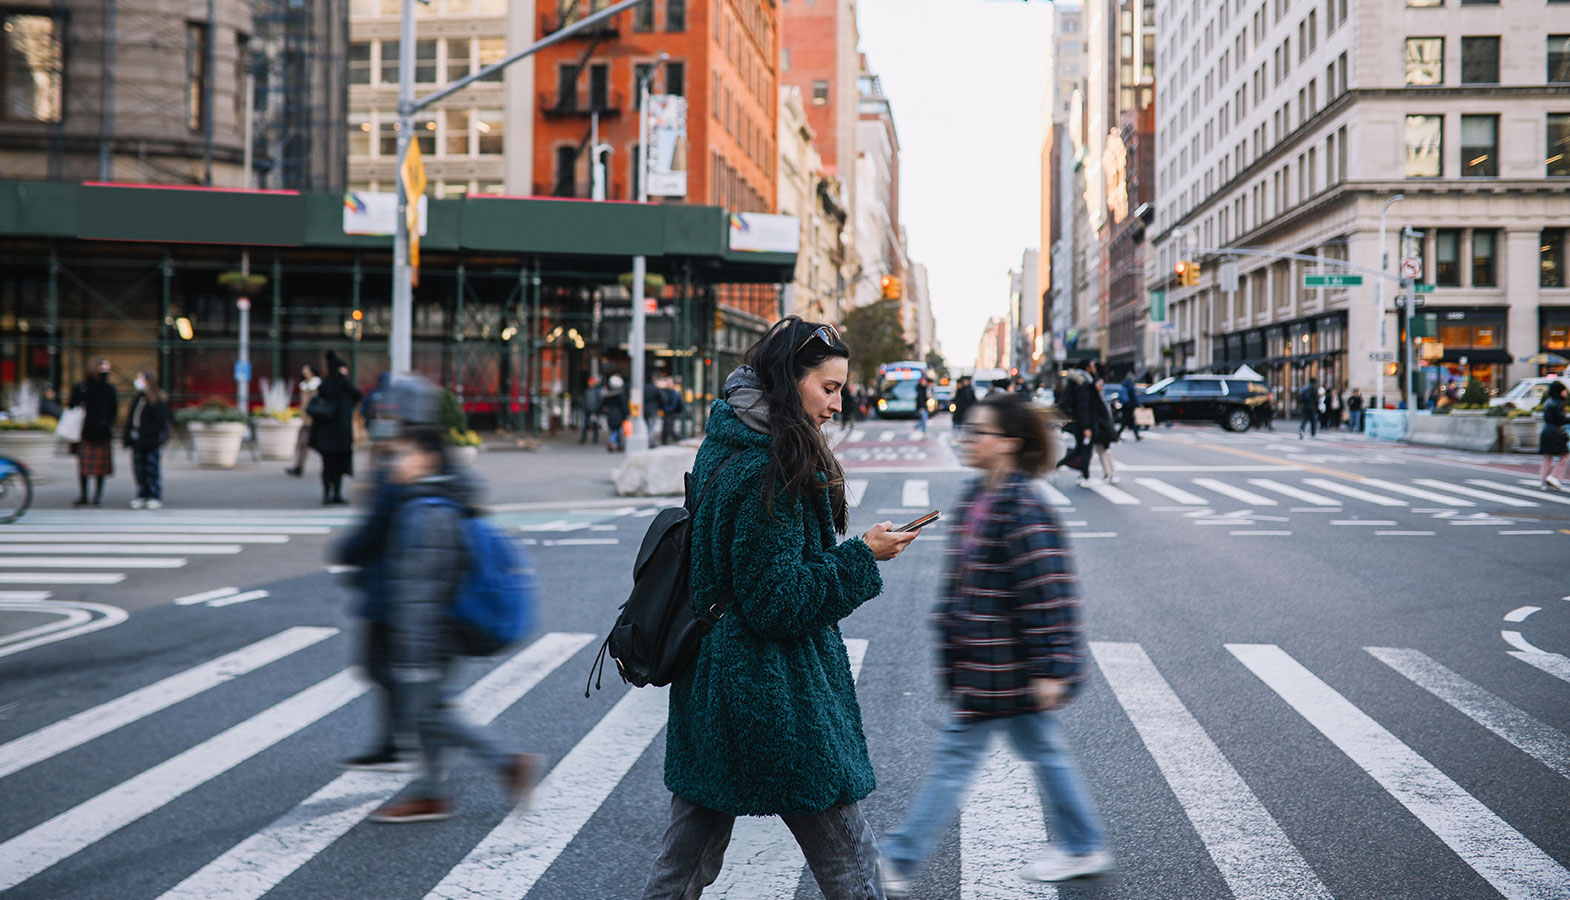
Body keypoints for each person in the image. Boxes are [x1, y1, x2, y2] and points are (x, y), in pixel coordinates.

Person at [641, 317, 920, 900]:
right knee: (851, 860)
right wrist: (863, 557)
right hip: (774, 693)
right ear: (787, 383)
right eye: (829, 387)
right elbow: (778, 601)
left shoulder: (730, 438)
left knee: (684, 865)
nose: (838, 404)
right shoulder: (774, 468)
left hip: (715, 686)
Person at [879, 393, 1111, 897]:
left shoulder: (1024, 507)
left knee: (956, 762)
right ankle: (1082, 842)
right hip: (987, 664)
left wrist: (1053, 668)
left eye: (979, 431)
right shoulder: (977, 499)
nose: (968, 438)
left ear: (1007, 444)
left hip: (1003, 667)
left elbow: (1049, 592)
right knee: (1043, 752)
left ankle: (899, 856)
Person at [356, 418, 539, 823]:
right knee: (431, 710)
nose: (395, 463)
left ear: (427, 458)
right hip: (445, 631)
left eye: (403, 454)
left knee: (426, 714)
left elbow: (421, 590)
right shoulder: (442, 500)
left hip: (430, 636)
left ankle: (508, 762)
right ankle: (431, 793)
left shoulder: (425, 512)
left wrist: (412, 650)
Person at [310, 353, 361, 505]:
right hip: (340, 434)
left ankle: (328, 494)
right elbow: (357, 396)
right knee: (338, 467)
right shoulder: (343, 385)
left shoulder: (325, 385)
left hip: (326, 435)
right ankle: (336, 494)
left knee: (327, 466)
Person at [68, 357, 118, 507]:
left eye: (106, 367)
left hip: (102, 432)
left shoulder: (108, 388)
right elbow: (72, 405)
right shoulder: (82, 387)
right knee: (84, 468)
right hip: (85, 431)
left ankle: (97, 496)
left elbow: (113, 410)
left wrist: (106, 423)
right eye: (101, 367)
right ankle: (84, 495)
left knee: (100, 469)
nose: (104, 370)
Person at [122, 371, 169, 509]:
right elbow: (131, 419)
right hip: (137, 440)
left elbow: (160, 422)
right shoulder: (138, 398)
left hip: (150, 441)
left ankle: (154, 495)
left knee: (151, 469)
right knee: (139, 470)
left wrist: (150, 434)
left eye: (141, 379)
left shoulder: (157, 400)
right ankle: (142, 494)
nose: (138, 381)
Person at [1057, 361, 1095, 486]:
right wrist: (1086, 426)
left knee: (1080, 448)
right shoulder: (1082, 382)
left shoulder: (1078, 381)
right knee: (1085, 449)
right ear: (1087, 367)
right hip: (1083, 422)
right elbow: (1082, 406)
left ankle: (1060, 465)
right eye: (1092, 365)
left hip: (1078, 421)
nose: (1094, 368)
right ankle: (1085, 476)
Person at [286, 363, 320, 477]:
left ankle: (329, 469)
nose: (304, 371)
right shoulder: (305, 385)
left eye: (306, 369)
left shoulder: (317, 385)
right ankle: (298, 467)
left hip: (314, 420)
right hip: (306, 420)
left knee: (315, 445)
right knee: (302, 444)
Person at [1539, 381, 1569, 492]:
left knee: (1547, 457)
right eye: (1564, 390)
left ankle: (1544, 482)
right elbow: (1561, 419)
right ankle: (1554, 476)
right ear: (1560, 391)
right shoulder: (1559, 403)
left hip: (1546, 430)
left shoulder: (1548, 402)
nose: (1566, 392)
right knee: (1565, 455)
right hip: (1556, 431)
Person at [1089, 376, 1119, 483]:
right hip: (1101, 429)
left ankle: (1109, 473)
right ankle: (1108, 473)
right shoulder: (1094, 398)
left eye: (1102, 385)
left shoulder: (1100, 396)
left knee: (1102, 451)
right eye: (1100, 385)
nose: (1102, 387)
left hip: (1103, 429)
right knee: (1102, 451)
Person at [604, 374, 628, 452]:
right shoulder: (621, 394)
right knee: (616, 430)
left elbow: (603, 404)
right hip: (618, 414)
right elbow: (624, 405)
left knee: (615, 429)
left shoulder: (608, 394)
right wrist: (627, 413)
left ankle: (619, 445)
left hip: (610, 413)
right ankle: (612, 441)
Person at [580, 375, 603, 445]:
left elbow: (599, 401)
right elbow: (583, 400)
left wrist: (597, 410)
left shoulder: (597, 391)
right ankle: (584, 438)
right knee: (585, 425)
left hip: (594, 411)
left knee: (595, 425)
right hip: (587, 410)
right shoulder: (586, 390)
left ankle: (595, 439)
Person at [661, 376, 684, 446]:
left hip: (671, 413)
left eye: (669, 382)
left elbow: (673, 404)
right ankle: (665, 441)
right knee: (667, 427)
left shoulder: (674, 393)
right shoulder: (666, 392)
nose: (667, 384)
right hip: (668, 412)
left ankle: (678, 438)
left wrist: (667, 410)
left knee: (669, 428)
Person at [1118, 373, 1142, 441]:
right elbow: (1133, 396)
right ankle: (1117, 435)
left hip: (1125, 405)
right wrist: (1138, 404)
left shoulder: (1124, 384)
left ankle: (1136, 435)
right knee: (1127, 421)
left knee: (1128, 421)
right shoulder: (1130, 385)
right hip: (1130, 405)